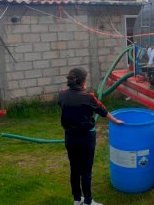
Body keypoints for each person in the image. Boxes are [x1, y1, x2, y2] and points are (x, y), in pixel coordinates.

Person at [58, 67, 123, 205]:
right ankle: (88, 201)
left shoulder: (62, 94)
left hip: (69, 137)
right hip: (85, 138)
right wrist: (115, 120)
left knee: (74, 169)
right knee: (86, 170)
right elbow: (102, 110)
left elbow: (62, 105)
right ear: (82, 81)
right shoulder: (88, 97)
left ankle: (77, 200)